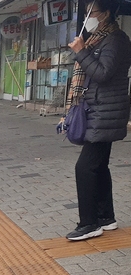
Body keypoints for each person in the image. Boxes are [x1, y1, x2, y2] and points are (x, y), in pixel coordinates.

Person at [61, 0, 131, 241]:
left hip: (106, 111)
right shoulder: (97, 39)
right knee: (99, 166)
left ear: (107, 14)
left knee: (85, 167)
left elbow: (103, 74)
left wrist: (81, 52)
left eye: (93, 12)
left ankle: (89, 223)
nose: (87, 17)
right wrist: (84, 50)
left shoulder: (117, 39)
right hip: (98, 110)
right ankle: (105, 217)